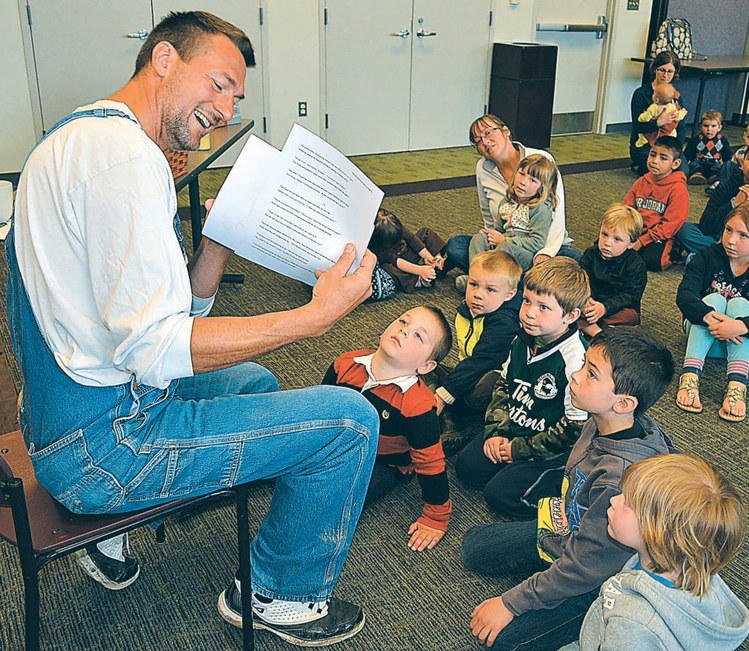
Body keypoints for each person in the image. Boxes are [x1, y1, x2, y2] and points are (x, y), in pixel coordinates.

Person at [7, 11, 380, 647]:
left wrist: (213, 247)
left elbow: (162, 325)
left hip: (62, 414)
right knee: (350, 422)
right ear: (163, 61)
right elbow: (158, 351)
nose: (227, 107)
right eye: (218, 82)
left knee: (259, 380)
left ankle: (129, 527)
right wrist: (314, 317)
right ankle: (279, 597)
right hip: (103, 450)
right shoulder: (124, 163)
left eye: (236, 95)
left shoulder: (80, 136)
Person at [463, 329, 675, 650]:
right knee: (474, 548)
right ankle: (553, 570)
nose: (574, 376)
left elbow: (586, 568)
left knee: (501, 641)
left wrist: (512, 602)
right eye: (583, 365)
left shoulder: (617, 478)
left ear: (623, 403)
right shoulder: (600, 417)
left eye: (590, 373)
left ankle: (583, 613)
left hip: (599, 577)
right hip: (573, 531)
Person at [559, 454, 749, 651]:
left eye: (627, 504)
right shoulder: (684, 563)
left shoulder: (633, 627)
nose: (614, 500)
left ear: (658, 533)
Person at [455, 258, 590, 518]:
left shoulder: (575, 360)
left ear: (571, 316)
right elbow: (503, 387)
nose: (528, 312)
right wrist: (497, 430)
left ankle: (568, 496)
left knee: (499, 494)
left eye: (544, 307)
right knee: (467, 468)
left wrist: (518, 450)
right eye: (527, 301)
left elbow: (574, 429)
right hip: (516, 428)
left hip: (548, 450)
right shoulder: (522, 337)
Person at [322, 306, 453, 552]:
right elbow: (320, 410)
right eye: (403, 321)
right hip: (338, 441)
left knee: (337, 498)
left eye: (418, 335)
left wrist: (436, 517)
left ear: (425, 367)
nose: (405, 330)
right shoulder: (345, 363)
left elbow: (431, 464)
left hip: (385, 463)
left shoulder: (419, 406)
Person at [675, 200, 749, 422]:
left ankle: (737, 385)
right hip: (703, 339)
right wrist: (708, 316)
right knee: (714, 299)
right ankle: (689, 376)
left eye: (743, 235)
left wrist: (739, 326)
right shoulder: (706, 256)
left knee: (741, 305)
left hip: (742, 345)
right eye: (728, 230)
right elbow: (685, 295)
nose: (731, 240)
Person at [444, 114, 579, 277]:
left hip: (544, 244)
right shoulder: (483, 168)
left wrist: (547, 252)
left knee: (575, 262)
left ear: (506, 132)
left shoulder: (540, 161)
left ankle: (502, 281)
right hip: (506, 240)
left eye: (488, 133)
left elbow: (557, 212)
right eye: (478, 141)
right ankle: (485, 279)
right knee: (455, 246)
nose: (484, 142)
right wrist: (490, 239)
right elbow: (488, 214)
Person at [432, 250, 522, 454]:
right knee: (425, 366)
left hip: (499, 382)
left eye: (491, 289)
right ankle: (449, 420)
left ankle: (459, 421)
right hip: (470, 371)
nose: (479, 294)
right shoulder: (467, 310)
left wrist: (444, 394)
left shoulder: (505, 323)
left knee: (479, 390)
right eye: (474, 284)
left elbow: (482, 361)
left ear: (510, 294)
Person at [676, 139, 749, 266]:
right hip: (722, 239)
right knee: (684, 229)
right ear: (742, 162)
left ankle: (713, 258)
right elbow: (706, 225)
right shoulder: (726, 186)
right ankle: (743, 264)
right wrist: (734, 204)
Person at [467, 153, 559, 273]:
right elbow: (500, 230)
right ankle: (476, 277)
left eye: (532, 180)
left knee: (505, 248)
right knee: (479, 239)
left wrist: (506, 240)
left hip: (525, 254)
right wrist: (490, 234)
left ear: (542, 188)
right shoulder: (505, 202)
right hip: (503, 245)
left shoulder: (540, 208)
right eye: (521, 174)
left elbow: (537, 243)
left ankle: (495, 282)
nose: (523, 182)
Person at [578, 204, 648, 338]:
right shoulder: (590, 254)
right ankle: (599, 334)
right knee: (566, 303)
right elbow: (583, 280)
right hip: (591, 302)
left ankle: (589, 328)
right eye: (604, 234)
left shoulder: (636, 265)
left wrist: (604, 307)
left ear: (631, 244)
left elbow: (630, 296)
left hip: (617, 307)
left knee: (629, 316)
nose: (607, 243)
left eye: (617, 239)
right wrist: (587, 300)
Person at [622, 135, 689, 271]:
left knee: (652, 262)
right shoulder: (642, 181)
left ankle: (674, 251)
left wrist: (642, 241)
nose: (655, 161)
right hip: (637, 230)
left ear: (675, 164)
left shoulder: (678, 189)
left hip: (658, 235)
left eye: (663, 158)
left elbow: (670, 225)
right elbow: (626, 208)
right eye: (653, 155)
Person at [629, 51, 688, 175]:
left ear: (675, 73)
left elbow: (681, 127)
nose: (665, 75)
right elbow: (637, 126)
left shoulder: (675, 95)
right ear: (655, 69)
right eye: (662, 70)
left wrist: (678, 150)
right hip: (646, 143)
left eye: (670, 71)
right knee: (658, 169)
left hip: (669, 144)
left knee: (682, 172)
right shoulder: (641, 94)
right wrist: (659, 122)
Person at [368, 207, 446, 293]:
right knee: (387, 269)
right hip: (397, 264)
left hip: (405, 252)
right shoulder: (375, 246)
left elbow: (412, 239)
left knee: (425, 232)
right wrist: (419, 270)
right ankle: (417, 280)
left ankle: (438, 261)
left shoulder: (394, 225)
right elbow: (396, 260)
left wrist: (429, 257)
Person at [712, 118, 749, 193]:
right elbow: (731, 166)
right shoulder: (740, 152)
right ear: (745, 136)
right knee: (728, 164)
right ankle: (720, 185)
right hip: (740, 177)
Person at [684, 109, 732, 185]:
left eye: (713, 126)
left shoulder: (722, 140)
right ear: (701, 126)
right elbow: (688, 153)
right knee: (694, 165)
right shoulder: (696, 139)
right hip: (699, 161)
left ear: (719, 127)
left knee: (717, 167)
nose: (709, 129)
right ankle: (697, 175)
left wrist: (727, 165)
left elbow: (727, 155)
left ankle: (714, 177)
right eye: (706, 126)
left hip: (714, 162)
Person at [633, 83, 687, 149]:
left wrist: (642, 117)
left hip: (655, 133)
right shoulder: (672, 107)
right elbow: (678, 116)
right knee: (672, 134)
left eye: (654, 94)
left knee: (643, 136)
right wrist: (683, 112)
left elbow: (643, 118)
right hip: (668, 132)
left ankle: (641, 142)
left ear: (656, 99)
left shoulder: (653, 108)